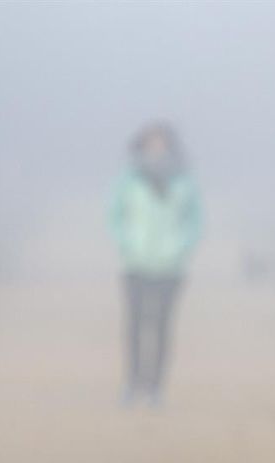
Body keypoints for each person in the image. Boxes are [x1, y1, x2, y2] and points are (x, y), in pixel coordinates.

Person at [106, 122, 202, 407]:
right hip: (135, 263)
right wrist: (126, 244)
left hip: (171, 266)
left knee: (162, 326)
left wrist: (182, 247)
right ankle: (132, 383)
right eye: (151, 143)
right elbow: (115, 215)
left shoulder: (184, 180)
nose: (156, 149)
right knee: (134, 325)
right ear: (142, 145)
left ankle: (156, 387)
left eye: (161, 143)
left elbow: (195, 220)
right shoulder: (128, 179)